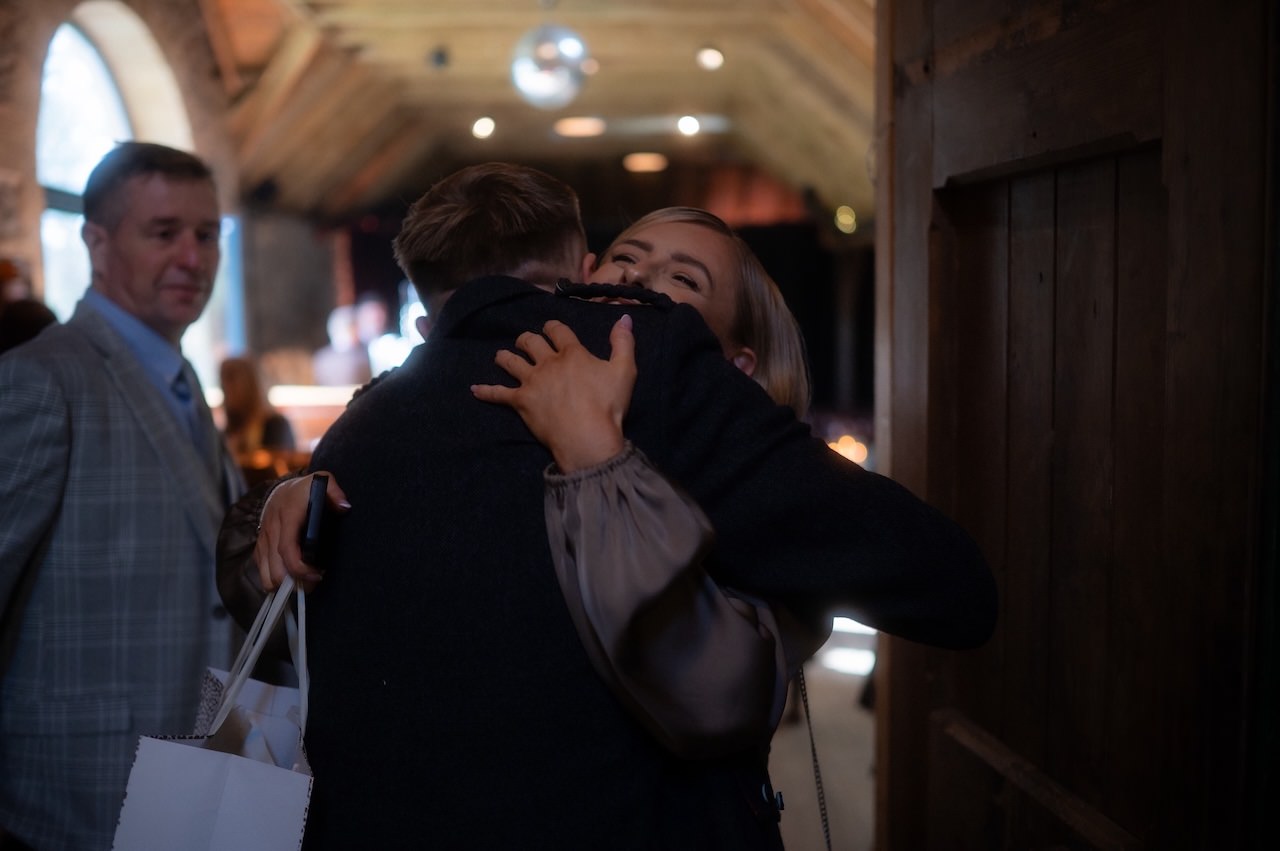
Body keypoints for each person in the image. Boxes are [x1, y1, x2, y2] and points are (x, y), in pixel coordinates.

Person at [217, 162, 995, 849]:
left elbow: (935, 583)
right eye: (626, 260)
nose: (640, 288)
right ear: (580, 274)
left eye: (684, 283)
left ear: (736, 364)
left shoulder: (680, 394)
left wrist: (601, 452)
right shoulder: (396, 403)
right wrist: (285, 501)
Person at [0, 141, 246, 850]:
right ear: (97, 243)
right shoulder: (41, 380)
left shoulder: (181, 379)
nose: (193, 258)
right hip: (73, 789)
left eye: (206, 235)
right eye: (164, 233)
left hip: (186, 779)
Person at [219, 355, 297, 457]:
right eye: (223, 381)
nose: (226, 389)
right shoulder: (228, 432)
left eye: (231, 379)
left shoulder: (276, 426)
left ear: (250, 384)